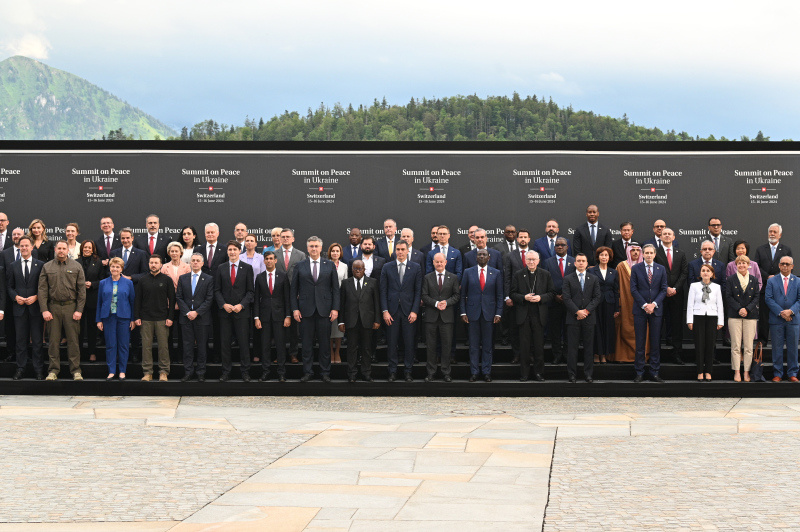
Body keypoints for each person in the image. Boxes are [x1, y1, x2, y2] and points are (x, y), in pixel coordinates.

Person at [291, 236, 340, 382]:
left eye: (316, 246)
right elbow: (294, 290)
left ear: (320, 248)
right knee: (306, 344)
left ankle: (325, 372)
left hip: (325, 310)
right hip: (305, 311)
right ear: (307, 248)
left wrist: (335, 309)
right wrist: (295, 309)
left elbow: (335, 289)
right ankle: (308, 372)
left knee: (325, 344)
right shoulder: (300, 265)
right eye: (311, 246)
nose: (313, 248)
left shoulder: (329, 265)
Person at [39, 240, 87, 381]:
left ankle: (76, 371)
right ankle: (53, 370)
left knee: (73, 340)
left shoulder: (76, 266)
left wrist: (79, 310)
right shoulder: (47, 267)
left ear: (68, 250)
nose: (61, 251)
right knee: (53, 341)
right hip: (52, 308)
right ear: (55, 249)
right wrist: (44, 310)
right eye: (59, 248)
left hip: (71, 307)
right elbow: (42, 290)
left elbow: (82, 291)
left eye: (63, 248)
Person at [380, 240, 422, 382]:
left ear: (407, 250)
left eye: (402, 249)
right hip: (391, 312)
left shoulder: (415, 267)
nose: (400, 252)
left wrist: (415, 311)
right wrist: (385, 311)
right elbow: (383, 291)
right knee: (392, 343)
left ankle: (408, 371)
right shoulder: (387, 267)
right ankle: (392, 371)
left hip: (409, 312)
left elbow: (418, 292)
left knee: (409, 343)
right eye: (397, 249)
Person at [510, 250, 554, 381]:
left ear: (538, 261)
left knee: (539, 346)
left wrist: (541, 297)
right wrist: (524, 297)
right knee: (524, 346)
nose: (531, 262)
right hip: (524, 315)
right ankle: (524, 374)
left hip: (539, 315)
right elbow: (512, 293)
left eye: (534, 259)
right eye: (529, 259)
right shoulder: (518, 275)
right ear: (525, 261)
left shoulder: (545, 274)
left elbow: (552, 293)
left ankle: (539, 373)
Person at [460, 248, 503, 382]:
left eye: (484, 255)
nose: (482, 256)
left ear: (489, 257)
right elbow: (462, 295)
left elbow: (500, 295)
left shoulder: (496, 273)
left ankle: (486, 372)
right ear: (476, 257)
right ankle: (474, 372)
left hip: (489, 314)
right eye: (479, 255)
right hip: (472, 313)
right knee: (473, 346)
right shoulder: (468, 272)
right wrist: (463, 312)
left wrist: (498, 313)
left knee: (487, 345)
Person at [215, 240, 255, 382]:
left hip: (241, 312)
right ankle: (226, 371)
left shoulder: (247, 268)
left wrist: (241, 305)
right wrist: (223, 304)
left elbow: (250, 292)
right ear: (227, 252)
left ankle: (245, 372)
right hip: (225, 312)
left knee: (244, 343)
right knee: (225, 344)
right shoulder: (221, 268)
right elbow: (217, 290)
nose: (232, 252)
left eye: (235, 250)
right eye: (230, 249)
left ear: (240, 251)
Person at [338, 259, 380, 382]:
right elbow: (342, 304)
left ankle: (366, 373)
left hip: (367, 321)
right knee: (352, 348)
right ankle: (352, 374)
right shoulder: (346, 283)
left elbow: (377, 303)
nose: (357, 271)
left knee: (367, 348)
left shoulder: (372, 282)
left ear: (364, 269)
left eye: (360, 268)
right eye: (355, 269)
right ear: (352, 270)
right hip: (351, 321)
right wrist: (340, 321)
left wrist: (377, 320)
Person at [630, 244, 668, 382]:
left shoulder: (661, 269)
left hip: (656, 310)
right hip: (640, 310)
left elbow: (664, 289)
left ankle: (654, 372)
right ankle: (639, 372)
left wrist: (654, 305)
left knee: (655, 342)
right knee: (640, 342)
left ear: (655, 254)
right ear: (643, 254)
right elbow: (633, 289)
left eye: (651, 253)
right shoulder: (635, 268)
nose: (649, 255)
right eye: (646, 253)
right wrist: (645, 305)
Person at [8, 237, 45, 380]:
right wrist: (15, 297)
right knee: (20, 341)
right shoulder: (13, 265)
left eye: (26, 246)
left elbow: (44, 286)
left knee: (37, 341)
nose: (24, 248)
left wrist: (36, 296)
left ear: (32, 247)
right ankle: (20, 368)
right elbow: (9, 286)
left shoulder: (40, 265)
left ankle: (38, 370)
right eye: (21, 246)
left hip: (35, 308)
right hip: (19, 308)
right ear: (19, 248)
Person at [135, 254, 176, 382]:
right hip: (146, 318)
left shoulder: (167, 280)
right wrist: (137, 316)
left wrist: (170, 317)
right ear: (148, 264)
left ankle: (163, 372)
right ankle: (147, 372)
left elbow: (172, 299)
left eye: (156, 263)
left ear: (161, 264)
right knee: (146, 347)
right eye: (151, 262)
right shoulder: (142, 280)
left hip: (162, 318)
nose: (153, 265)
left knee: (163, 346)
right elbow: (137, 300)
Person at [562, 253, 602, 383]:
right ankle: (572, 374)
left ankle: (588, 374)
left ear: (587, 263)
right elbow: (566, 298)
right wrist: (577, 312)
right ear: (574, 263)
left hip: (589, 318)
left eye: (583, 261)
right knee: (572, 348)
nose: (580, 263)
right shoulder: (568, 278)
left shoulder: (593, 278)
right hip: (573, 318)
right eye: (578, 261)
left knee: (589, 348)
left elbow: (597, 298)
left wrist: (585, 311)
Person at [421, 253, 460, 382]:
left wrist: (447, 302)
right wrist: (436, 303)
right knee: (431, 346)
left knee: (446, 346)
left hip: (447, 317)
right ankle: (431, 372)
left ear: (446, 262)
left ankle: (446, 372)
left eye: (441, 262)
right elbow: (424, 295)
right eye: (436, 262)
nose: (439, 264)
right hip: (431, 317)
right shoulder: (427, 277)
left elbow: (456, 295)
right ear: (433, 263)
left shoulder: (453, 277)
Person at [176, 253, 214, 382]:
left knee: (202, 346)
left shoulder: (208, 279)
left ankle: (201, 372)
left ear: (202, 263)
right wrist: (188, 312)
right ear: (190, 263)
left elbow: (209, 299)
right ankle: (188, 372)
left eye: (198, 261)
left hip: (201, 318)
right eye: (193, 261)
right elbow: (179, 297)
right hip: (186, 318)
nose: (195, 263)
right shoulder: (183, 278)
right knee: (187, 347)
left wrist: (196, 312)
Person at [254, 251, 291, 382]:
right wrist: (256, 317)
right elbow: (256, 298)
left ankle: (281, 372)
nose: (269, 261)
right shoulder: (259, 277)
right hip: (264, 317)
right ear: (264, 261)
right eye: (266, 259)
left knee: (280, 345)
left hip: (280, 316)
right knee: (265, 345)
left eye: (271, 259)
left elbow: (287, 297)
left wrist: (288, 316)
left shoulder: (283, 276)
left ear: (275, 260)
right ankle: (266, 371)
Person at [96, 257, 136, 380]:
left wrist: (133, 319)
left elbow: (132, 302)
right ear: (110, 268)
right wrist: (99, 319)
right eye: (113, 266)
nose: (115, 269)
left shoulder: (128, 283)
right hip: (108, 318)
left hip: (124, 317)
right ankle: (112, 370)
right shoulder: (103, 283)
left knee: (123, 345)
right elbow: (99, 302)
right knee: (110, 345)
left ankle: (122, 371)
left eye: (117, 267)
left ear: (121, 269)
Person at [193, 222, 227, 361]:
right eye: (208, 232)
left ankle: (218, 355)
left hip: (219, 294)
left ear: (218, 233)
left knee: (219, 327)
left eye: (213, 232)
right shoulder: (198, 249)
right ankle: (204, 355)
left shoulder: (224, 249)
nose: (210, 234)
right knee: (203, 328)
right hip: (202, 294)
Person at [655, 228, 689, 364]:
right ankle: (655, 354)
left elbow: (684, 272)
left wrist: (675, 288)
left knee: (676, 325)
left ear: (674, 237)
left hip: (677, 294)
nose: (667, 235)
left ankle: (677, 354)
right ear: (660, 237)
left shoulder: (680, 253)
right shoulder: (655, 253)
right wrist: (666, 288)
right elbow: (655, 272)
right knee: (657, 324)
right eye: (664, 234)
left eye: (669, 234)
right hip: (659, 294)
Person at [754, 223, 792, 345]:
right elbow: (756, 266)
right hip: (764, 287)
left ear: (780, 235)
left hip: (781, 288)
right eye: (770, 231)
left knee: (780, 314)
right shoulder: (760, 249)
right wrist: (767, 276)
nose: (772, 234)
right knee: (764, 316)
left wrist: (775, 277)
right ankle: (763, 340)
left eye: (775, 232)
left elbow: (789, 267)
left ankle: (780, 340)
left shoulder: (786, 250)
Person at [765, 256, 800, 382]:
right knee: (777, 347)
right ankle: (778, 373)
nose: (785, 266)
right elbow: (768, 299)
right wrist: (781, 312)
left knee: (793, 348)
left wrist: (791, 311)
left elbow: (799, 300)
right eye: (782, 264)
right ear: (779, 266)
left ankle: (792, 373)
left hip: (793, 320)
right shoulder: (772, 281)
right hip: (776, 319)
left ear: (792, 266)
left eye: (787, 264)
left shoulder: (798, 281)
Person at [687, 263, 725, 381]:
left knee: (710, 344)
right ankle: (699, 371)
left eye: (708, 271)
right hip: (698, 316)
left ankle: (708, 371)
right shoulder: (694, 286)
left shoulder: (717, 287)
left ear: (712, 274)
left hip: (712, 316)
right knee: (699, 344)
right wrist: (689, 320)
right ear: (700, 273)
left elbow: (720, 304)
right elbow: (690, 304)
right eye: (703, 270)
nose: (705, 272)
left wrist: (721, 321)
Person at [725, 255, 759, 382]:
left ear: (748, 265)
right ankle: (737, 372)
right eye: (739, 263)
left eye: (744, 263)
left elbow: (756, 297)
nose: (741, 265)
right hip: (734, 315)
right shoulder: (731, 279)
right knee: (736, 345)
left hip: (750, 316)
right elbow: (728, 296)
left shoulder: (754, 280)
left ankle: (746, 372)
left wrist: (747, 309)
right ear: (736, 265)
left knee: (749, 346)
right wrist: (739, 308)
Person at [542, 237, 575, 364]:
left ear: (567, 247)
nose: (560, 247)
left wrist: (566, 296)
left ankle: (567, 354)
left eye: (562, 245)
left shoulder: (573, 261)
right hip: (553, 301)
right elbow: (545, 281)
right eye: (557, 245)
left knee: (568, 331)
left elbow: (576, 281)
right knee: (554, 331)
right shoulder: (547, 262)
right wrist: (554, 295)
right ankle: (556, 354)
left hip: (570, 302)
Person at [276, 228, 306, 362]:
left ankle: (293, 353)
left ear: (293, 238)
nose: (285, 239)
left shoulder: (300, 255)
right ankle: (279, 355)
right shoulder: (274, 254)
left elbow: (304, 276)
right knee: (278, 328)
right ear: (280, 239)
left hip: (295, 295)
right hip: (278, 295)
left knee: (294, 328)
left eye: (288, 237)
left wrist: (300, 292)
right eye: (283, 237)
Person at [614, 242, 647, 362]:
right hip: (625, 302)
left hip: (642, 303)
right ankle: (623, 356)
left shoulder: (645, 266)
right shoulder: (621, 266)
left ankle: (643, 356)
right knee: (624, 326)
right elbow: (616, 287)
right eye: (633, 250)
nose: (635, 253)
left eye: (638, 250)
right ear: (628, 251)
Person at [588, 246, 619, 364]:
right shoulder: (591, 270)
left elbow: (616, 291)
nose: (604, 257)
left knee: (608, 329)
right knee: (597, 329)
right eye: (601, 255)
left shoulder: (614, 272)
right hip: (595, 304)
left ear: (609, 257)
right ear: (598, 257)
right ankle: (596, 354)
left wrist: (617, 308)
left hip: (610, 304)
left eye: (606, 255)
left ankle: (604, 354)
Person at [160, 242, 191, 359]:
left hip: (183, 304)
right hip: (168, 304)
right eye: (172, 251)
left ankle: (182, 356)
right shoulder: (164, 267)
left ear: (181, 253)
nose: (174, 253)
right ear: (168, 253)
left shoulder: (187, 267)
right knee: (168, 333)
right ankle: (171, 357)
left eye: (176, 251)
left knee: (183, 333)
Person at [78, 240, 106, 362]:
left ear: (93, 249)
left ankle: (92, 352)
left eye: (89, 247)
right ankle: (77, 353)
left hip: (92, 299)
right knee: (78, 329)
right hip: (78, 300)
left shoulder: (98, 262)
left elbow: (103, 280)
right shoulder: (75, 262)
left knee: (92, 329)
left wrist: (93, 284)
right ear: (82, 249)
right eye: (85, 247)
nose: (87, 249)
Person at [0, 227, 24, 362]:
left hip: (27, 297)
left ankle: (24, 353)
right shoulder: (5, 254)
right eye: (14, 234)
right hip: (9, 297)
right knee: (10, 328)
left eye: (19, 234)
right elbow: (2, 277)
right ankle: (11, 353)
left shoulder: (33, 252)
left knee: (24, 328)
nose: (16, 236)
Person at [327, 242, 348, 363]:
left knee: (339, 327)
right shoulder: (325, 264)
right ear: (330, 252)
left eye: (337, 251)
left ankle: (337, 352)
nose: (335, 253)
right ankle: (330, 352)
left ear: (340, 253)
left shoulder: (344, 266)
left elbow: (345, 284)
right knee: (329, 327)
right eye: (333, 251)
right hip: (327, 299)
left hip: (340, 299)